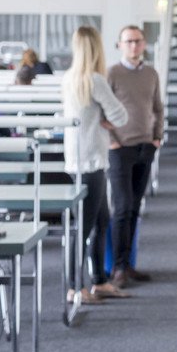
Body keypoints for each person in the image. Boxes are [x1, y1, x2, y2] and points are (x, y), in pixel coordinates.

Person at [61, 26, 130, 303]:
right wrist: (107, 120)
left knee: (101, 222)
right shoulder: (95, 80)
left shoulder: (70, 79)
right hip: (91, 162)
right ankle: (74, 288)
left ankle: (99, 281)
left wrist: (101, 118)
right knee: (85, 226)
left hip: (77, 160)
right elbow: (122, 115)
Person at [107, 25, 164, 288]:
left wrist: (157, 137)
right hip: (120, 148)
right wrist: (112, 142)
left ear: (144, 44)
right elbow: (100, 113)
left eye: (138, 41)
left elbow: (157, 107)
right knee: (122, 207)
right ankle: (118, 267)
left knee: (134, 208)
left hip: (145, 146)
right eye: (128, 41)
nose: (133, 46)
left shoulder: (151, 73)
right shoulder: (111, 73)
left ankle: (128, 264)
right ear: (119, 45)